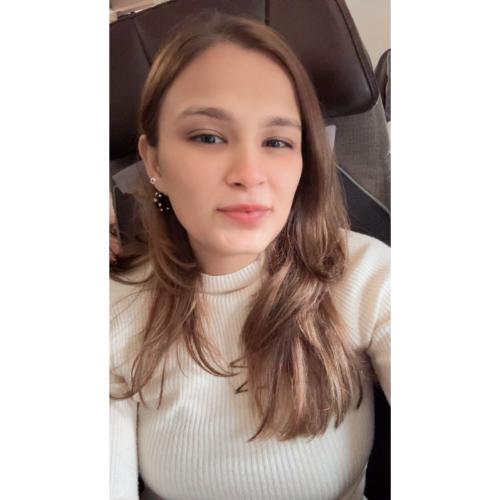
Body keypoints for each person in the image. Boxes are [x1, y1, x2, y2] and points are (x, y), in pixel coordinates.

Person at [110, 10, 390, 500]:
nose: (249, 173)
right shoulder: (113, 307)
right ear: (153, 161)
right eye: (208, 137)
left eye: (277, 141)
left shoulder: (367, 278)